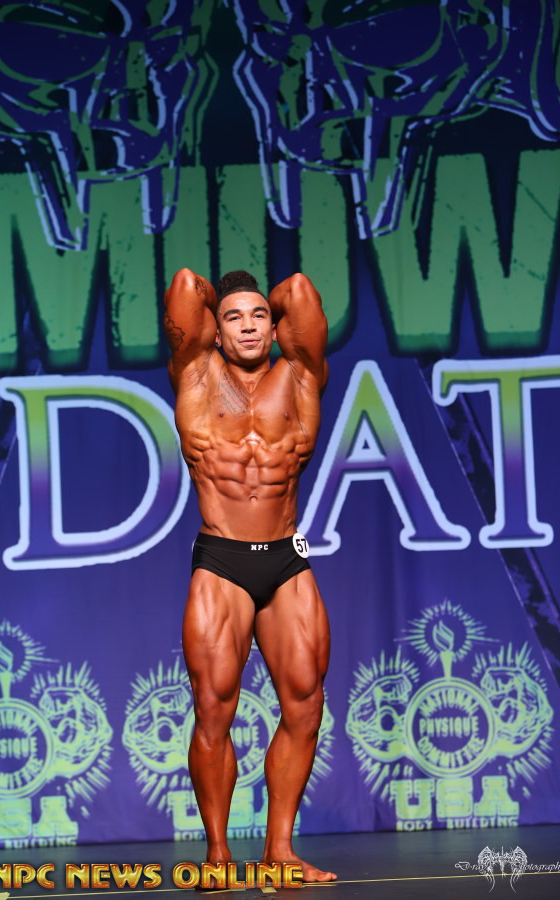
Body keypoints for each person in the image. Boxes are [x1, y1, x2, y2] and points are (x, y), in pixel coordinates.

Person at [164, 267, 336, 884]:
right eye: (233, 317)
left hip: (286, 557)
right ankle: (217, 855)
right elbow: (187, 285)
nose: (248, 326)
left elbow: (301, 291)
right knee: (214, 710)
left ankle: (280, 852)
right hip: (223, 559)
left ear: (275, 325)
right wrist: (221, 308)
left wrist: (265, 300)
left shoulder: (301, 375)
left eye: (259, 315)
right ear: (214, 329)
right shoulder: (196, 372)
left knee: (306, 705)